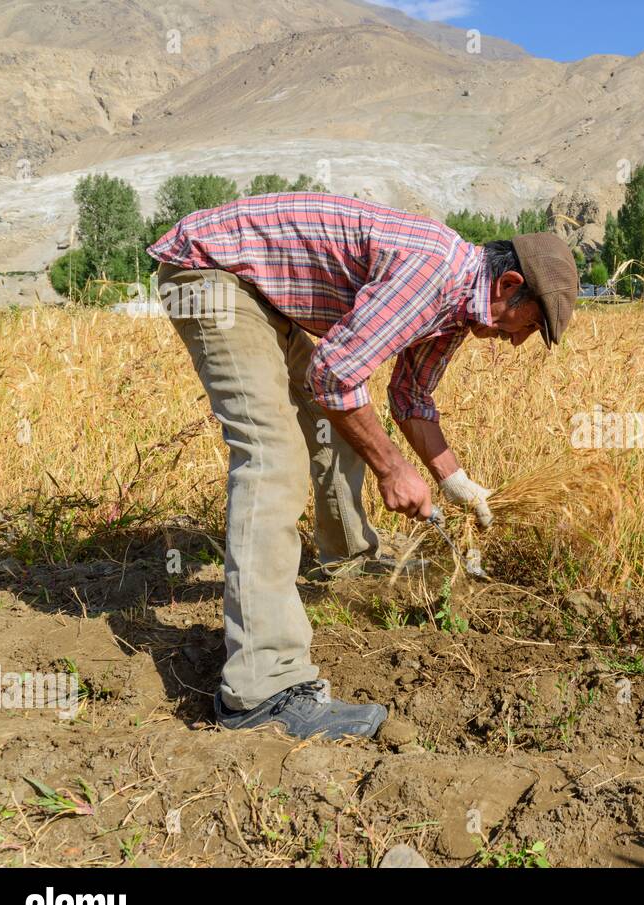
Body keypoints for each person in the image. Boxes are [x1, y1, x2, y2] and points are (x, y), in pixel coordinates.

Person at [148, 192, 578, 740]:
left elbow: (410, 397)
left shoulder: (457, 306)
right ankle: (261, 686)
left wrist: (455, 481)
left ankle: (348, 560)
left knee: (344, 425)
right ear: (509, 285)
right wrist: (393, 470)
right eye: (526, 325)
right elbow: (335, 373)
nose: (516, 341)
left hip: (259, 289)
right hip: (212, 274)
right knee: (273, 457)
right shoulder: (434, 273)